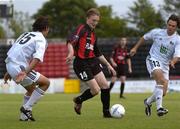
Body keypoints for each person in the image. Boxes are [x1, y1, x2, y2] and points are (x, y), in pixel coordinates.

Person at [66, 8, 116, 118]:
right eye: (93, 20)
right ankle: (79, 100)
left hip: (93, 61)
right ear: (87, 19)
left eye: (97, 21)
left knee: (105, 86)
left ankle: (106, 113)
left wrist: (108, 65)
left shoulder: (94, 35)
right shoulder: (81, 29)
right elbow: (70, 41)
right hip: (81, 63)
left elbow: (98, 53)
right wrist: (70, 53)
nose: (95, 23)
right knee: (95, 90)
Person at [130, 14, 180, 117]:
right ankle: (159, 108)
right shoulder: (157, 32)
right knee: (160, 79)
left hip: (165, 65)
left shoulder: (177, 40)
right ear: (167, 23)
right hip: (152, 59)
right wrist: (135, 48)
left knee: (163, 92)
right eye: (169, 25)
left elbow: (177, 55)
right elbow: (144, 37)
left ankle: (148, 102)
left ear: (176, 27)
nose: (170, 27)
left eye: (173, 26)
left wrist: (173, 62)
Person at [3, 16, 50, 121]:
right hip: (19, 67)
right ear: (46, 28)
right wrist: (25, 72)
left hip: (10, 63)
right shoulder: (41, 39)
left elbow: (14, 51)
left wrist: (9, 71)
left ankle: (24, 117)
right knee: (46, 83)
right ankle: (26, 108)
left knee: (31, 90)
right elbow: (37, 58)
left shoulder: (25, 34)